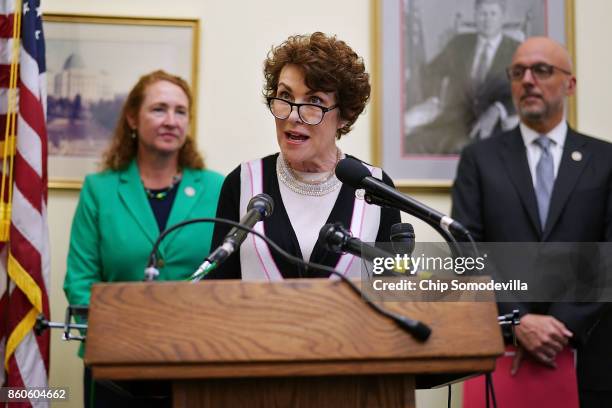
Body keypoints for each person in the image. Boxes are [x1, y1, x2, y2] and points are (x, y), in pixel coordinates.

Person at [452, 37, 612, 407]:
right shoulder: (479, 159)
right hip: (501, 353)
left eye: (541, 70)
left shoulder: (605, 160)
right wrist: (518, 320)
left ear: (570, 83)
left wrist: (562, 325)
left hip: (591, 357)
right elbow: (466, 250)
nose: (527, 80)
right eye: (518, 71)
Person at [63, 70, 224, 407]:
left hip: (196, 359)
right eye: (159, 109)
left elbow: (230, 275)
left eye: (180, 112)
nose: (171, 120)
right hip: (116, 365)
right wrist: (117, 340)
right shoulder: (100, 189)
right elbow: (80, 280)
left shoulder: (216, 187)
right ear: (132, 118)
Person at [208, 32, 400, 280]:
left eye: (314, 100)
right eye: (285, 96)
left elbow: (395, 291)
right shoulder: (243, 182)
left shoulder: (375, 187)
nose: (292, 116)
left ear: (344, 115)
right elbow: (218, 287)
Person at [405, 0, 519, 155]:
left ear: (502, 17)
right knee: (412, 143)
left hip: (491, 125)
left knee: (467, 152)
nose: (487, 19)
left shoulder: (517, 49)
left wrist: (498, 109)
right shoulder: (460, 42)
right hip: (454, 121)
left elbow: (525, 90)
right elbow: (432, 71)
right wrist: (434, 97)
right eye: (482, 14)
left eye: (493, 13)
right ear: (475, 16)